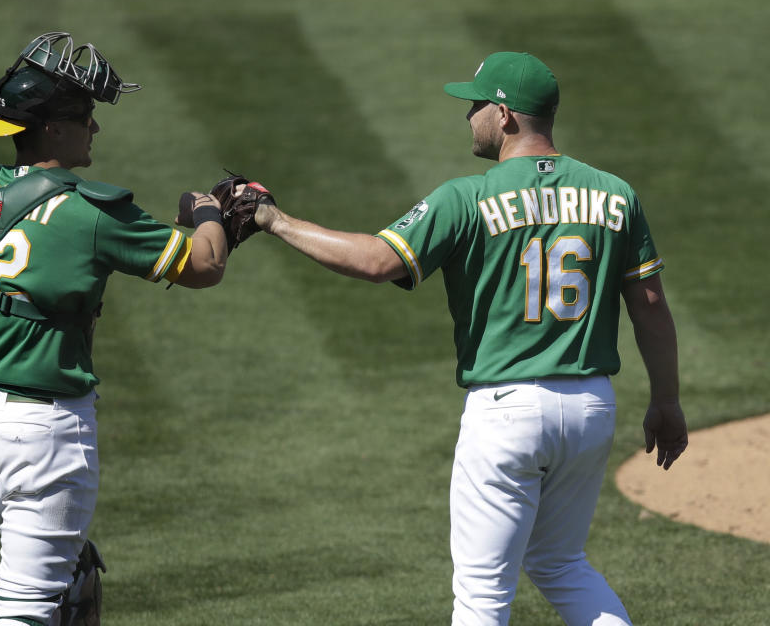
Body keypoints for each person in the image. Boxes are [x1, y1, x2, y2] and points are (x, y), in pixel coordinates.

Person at [252, 51, 688, 625]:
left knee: (482, 596)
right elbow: (650, 307)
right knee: (561, 563)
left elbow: (378, 260)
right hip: (589, 408)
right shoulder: (615, 194)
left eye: (476, 105)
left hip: (506, 412)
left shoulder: (466, 197)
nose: (468, 116)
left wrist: (274, 221)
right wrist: (666, 399)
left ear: (505, 116)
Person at [0, 32, 229, 626]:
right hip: (43, 436)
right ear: (52, 129)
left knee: (71, 576)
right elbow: (204, 264)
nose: (95, 129)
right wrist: (208, 212)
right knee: (27, 611)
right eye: (85, 117)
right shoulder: (91, 211)